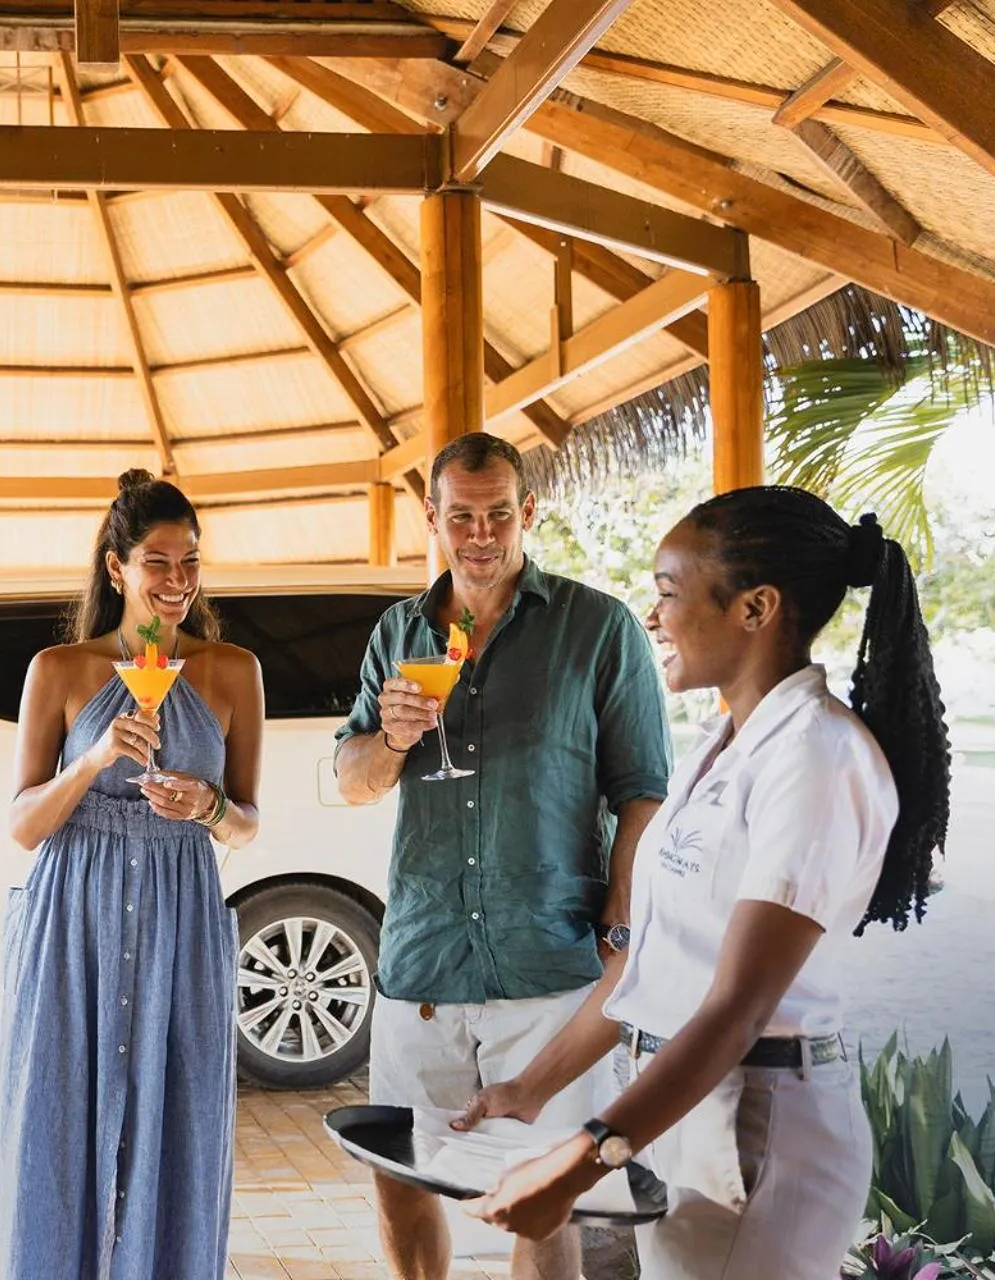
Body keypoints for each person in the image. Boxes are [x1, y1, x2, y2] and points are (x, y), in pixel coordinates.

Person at [457, 486, 950, 1280]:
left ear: (755, 607)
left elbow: (737, 1007)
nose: (651, 617)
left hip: (756, 1124)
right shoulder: (723, 746)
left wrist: (584, 1160)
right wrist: (530, 1089)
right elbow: (653, 970)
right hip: (689, 1108)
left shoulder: (815, 757)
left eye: (668, 592)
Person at [334, 432, 671, 1280]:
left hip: (548, 956)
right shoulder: (398, 631)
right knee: (401, 1179)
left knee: (540, 1192)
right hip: (423, 961)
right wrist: (393, 741)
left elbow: (643, 792)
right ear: (434, 519)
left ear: (525, 513)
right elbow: (353, 778)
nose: (478, 536)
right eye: (460, 518)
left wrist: (620, 929)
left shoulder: (598, 627)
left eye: (495, 516)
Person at [0, 469, 266, 1280]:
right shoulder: (60, 670)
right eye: (158, 564)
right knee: (51, 1132)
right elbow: (24, 826)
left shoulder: (232, 670)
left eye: (190, 563)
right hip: (71, 926)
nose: (177, 584)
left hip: (184, 926)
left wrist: (207, 808)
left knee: (178, 1135)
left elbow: (247, 821)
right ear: (116, 568)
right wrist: (96, 756)